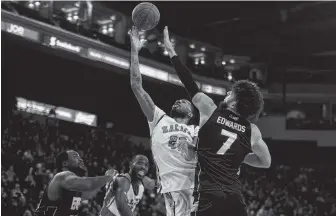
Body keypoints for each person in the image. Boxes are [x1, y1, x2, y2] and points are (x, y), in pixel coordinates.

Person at [163, 26, 271, 216]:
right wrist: (239, 157)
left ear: (235, 101)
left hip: (208, 199)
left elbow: (188, 82)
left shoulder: (209, 109)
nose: (228, 93)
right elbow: (266, 162)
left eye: (231, 93)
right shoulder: (252, 131)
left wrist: (172, 53)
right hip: (234, 202)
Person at [129, 26, 199, 216]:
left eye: (184, 101)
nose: (178, 100)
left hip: (193, 186)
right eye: (178, 100)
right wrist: (135, 50)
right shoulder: (159, 118)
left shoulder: (196, 130)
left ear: (191, 114)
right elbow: (136, 85)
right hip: (171, 189)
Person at [35, 150, 114, 216]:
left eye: (79, 157)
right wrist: (109, 177)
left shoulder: (77, 188)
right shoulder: (62, 176)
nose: (80, 159)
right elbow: (89, 185)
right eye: (75, 156)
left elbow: (84, 208)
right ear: (65, 163)